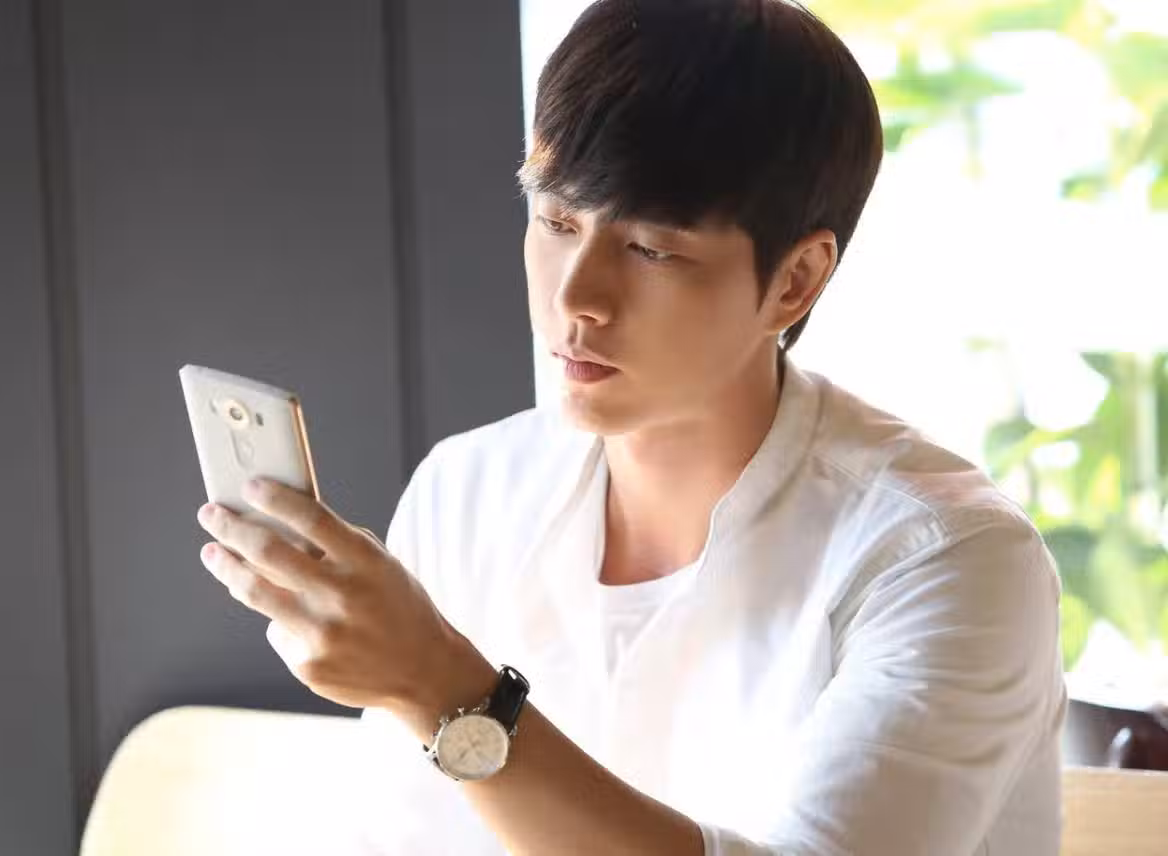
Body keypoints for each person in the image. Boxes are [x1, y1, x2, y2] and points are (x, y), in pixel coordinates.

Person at [195, 0, 1067, 853]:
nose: (576, 295)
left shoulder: (943, 557)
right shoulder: (468, 490)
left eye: (651, 250)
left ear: (796, 281)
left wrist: (442, 685)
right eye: (556, 221)